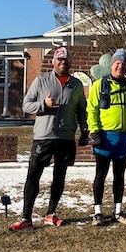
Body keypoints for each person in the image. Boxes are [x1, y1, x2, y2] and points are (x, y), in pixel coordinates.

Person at [9, 46, 89, 231]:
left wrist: (84, 127)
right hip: (44, 136)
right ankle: (26, 217)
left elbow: (80, 109)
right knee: (33, 175)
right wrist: (43, 105)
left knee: (59, 176)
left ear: (70, 62)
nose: (63, 62)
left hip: (66, 137)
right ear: (54, 62)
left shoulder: (76, 84)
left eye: (66, 59)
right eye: (60, 59)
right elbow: (26, 106)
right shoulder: (41, 80)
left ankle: (51, 214)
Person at [87, 48, 126, 226]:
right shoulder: (99, 85)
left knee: (119, 176)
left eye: (123, 63)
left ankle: (117, 211)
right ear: (111, 65)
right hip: (105, 137)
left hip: (123, 137)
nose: (120, 66)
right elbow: (92, 109)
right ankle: (98, 212)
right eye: (117, 63)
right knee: (100, 175)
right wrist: (94, 131)